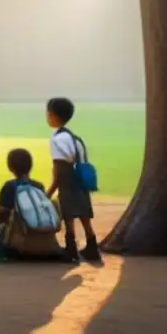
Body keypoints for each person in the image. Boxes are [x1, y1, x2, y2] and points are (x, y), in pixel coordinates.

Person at [45, 97, 100, 263]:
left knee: (68, 214)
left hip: (67, 180)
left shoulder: (57, 140)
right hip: (81, 180)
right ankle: (92, 246)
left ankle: (71, 249)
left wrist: (49, 192)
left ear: (53, 115)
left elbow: (59, 169)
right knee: (83, 212)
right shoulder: (75, 138)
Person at [0, 148, 63, 260]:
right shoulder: (39, 186)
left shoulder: (10, 186)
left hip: (21, 243)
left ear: (10, 167)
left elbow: (4, 213)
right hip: (44, 240)